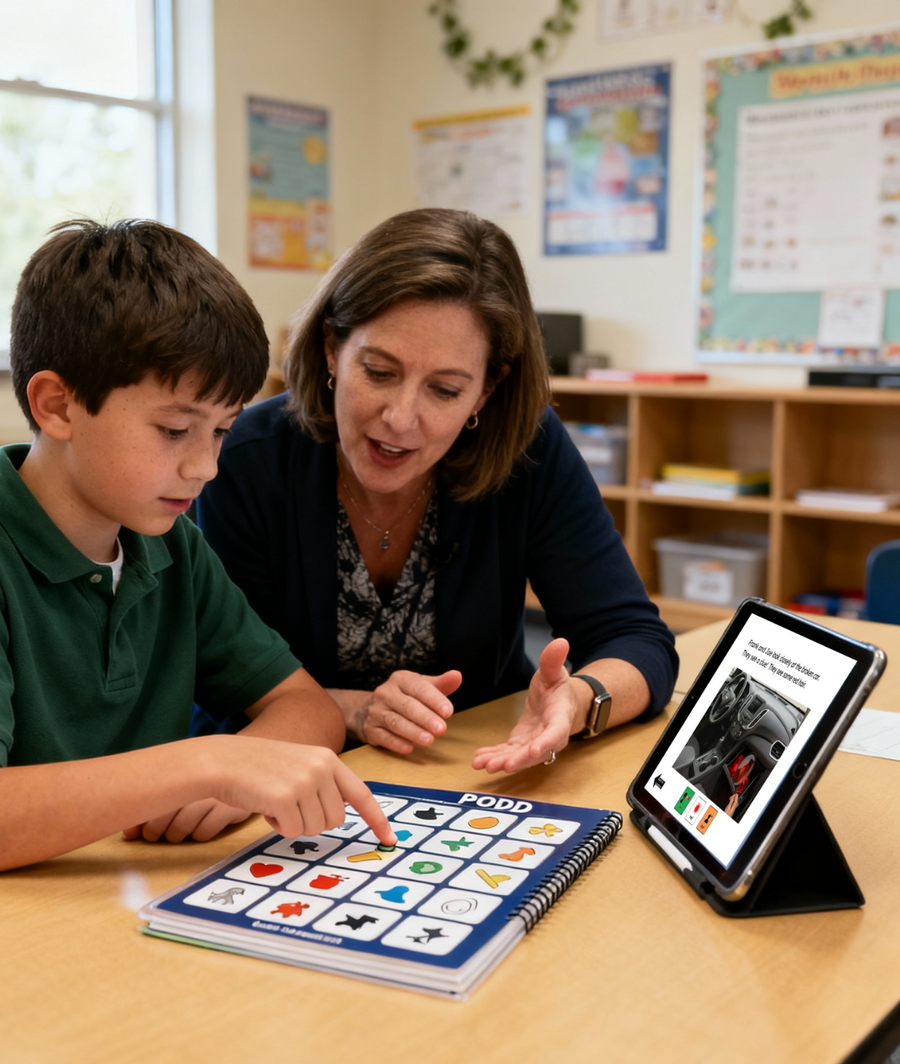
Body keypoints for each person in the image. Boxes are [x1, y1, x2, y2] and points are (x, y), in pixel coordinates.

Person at [196, 208, 678, 774]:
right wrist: (354, 711)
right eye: (378, 372)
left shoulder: (528, 448)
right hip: (291, 778)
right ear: (331, 347)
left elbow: (636, 639)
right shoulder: (246, 457)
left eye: (445, 390)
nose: (401, 418)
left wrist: (577, 701)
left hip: (477, 770)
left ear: (486, 391)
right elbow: (220, 685)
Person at [0, 218, 394, 872]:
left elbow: (306, 707)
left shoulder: (171, 547)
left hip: (125, 906)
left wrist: (235, 774)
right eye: (176, 429)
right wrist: (202, 762)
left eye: (220, 432)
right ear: (58, 405)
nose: (205, 467)